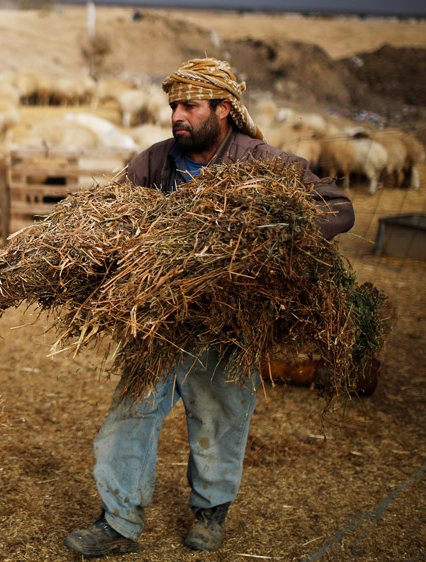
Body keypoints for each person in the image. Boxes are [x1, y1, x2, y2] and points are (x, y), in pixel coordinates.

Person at [63, 58, 355, 557]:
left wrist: (265, 239)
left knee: (220, 417)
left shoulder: (261, 162)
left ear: (224, 109)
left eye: (190, 106)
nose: (178, 115)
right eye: (174, 106)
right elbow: (113, 214)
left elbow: (338, 208)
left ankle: (210, 513)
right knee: (129, 415)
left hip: (227, 323)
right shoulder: (155, 162)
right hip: (159, 323)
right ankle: (118, 521)